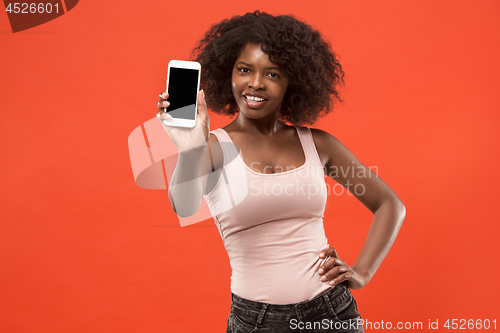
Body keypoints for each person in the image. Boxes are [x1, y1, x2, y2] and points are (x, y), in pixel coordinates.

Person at [156, 11, 405, 333]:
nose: (255, 83)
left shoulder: (318, 144)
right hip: (256, 321)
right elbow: (184, 206)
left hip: (331, 311)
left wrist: (362, 272)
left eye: (272, 74)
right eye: (244, 69)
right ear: (227, 72)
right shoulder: (213, 147)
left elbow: (389, 204)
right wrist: (190, 148)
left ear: (293, 82)